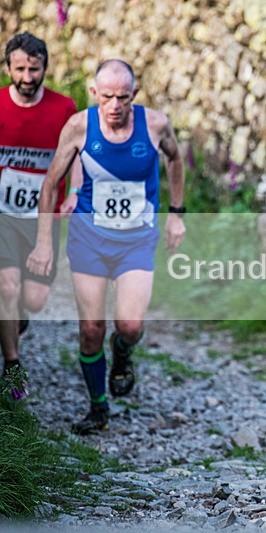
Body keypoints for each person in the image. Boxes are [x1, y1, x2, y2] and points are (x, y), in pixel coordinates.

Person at [27, 59, 186, 434]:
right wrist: (44, 244)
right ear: (94, 93)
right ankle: (98, 407)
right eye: (107, 97)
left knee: (129, 325)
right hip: (89, 241)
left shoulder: (155, 124)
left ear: (135, 95)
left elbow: (176, 159)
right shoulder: (80, 126)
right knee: (91, 329)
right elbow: (51, 184)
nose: (115, 106)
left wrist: (177, 213)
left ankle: (124, 353)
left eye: (124, 98)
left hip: (136, 241)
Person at [1, 32, 82, 401]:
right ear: (8, 69)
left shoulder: (64, 108)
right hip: (3, 214)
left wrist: (76, 193)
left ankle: (13, 318)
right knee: (7, 286)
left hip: (43, 218)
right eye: (20, 69)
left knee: (31, 300)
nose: (28, 77)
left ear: (45, 68)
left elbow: (76, 156)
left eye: (35, 69)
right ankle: (13, 365)